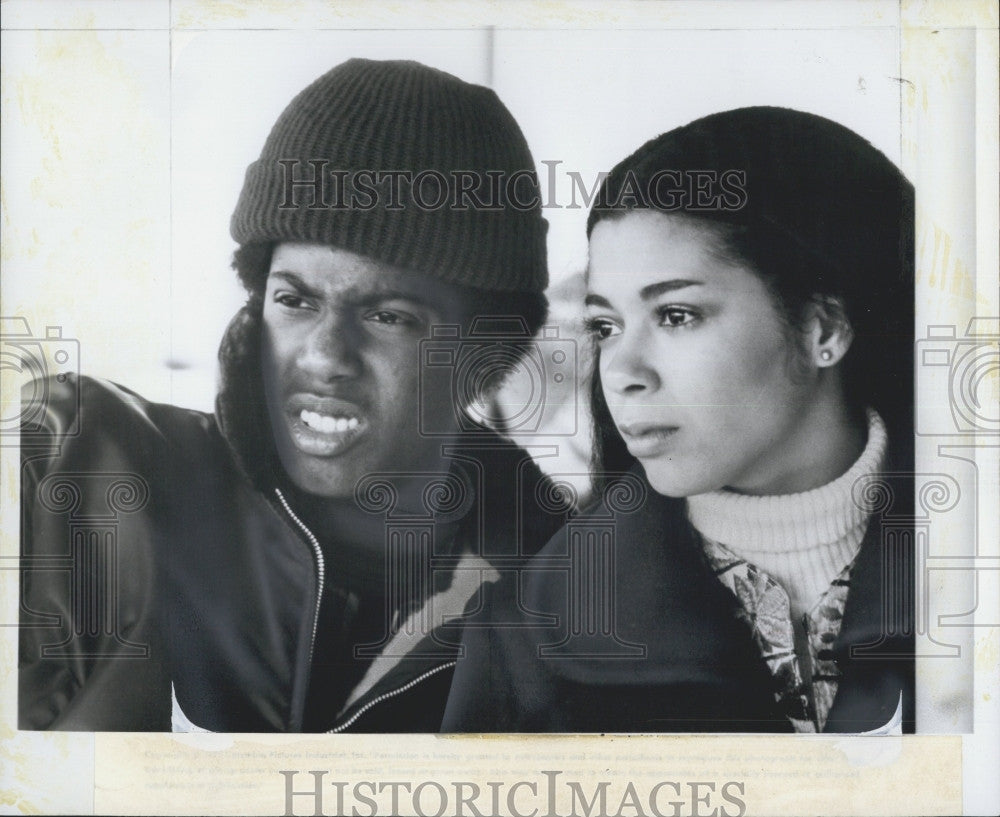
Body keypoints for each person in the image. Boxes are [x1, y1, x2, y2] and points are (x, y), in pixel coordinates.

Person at [18, 58, 568, 732]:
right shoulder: (76, 467)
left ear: (486, 351)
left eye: (388, 315)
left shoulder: (561, 589)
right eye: (294, 299)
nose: (324, 356)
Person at [443, 106, 916, 733]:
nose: (622, 370)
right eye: (604, 327)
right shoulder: (527, 638)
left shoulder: (973, 566)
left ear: (822, 327)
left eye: (675, 315)